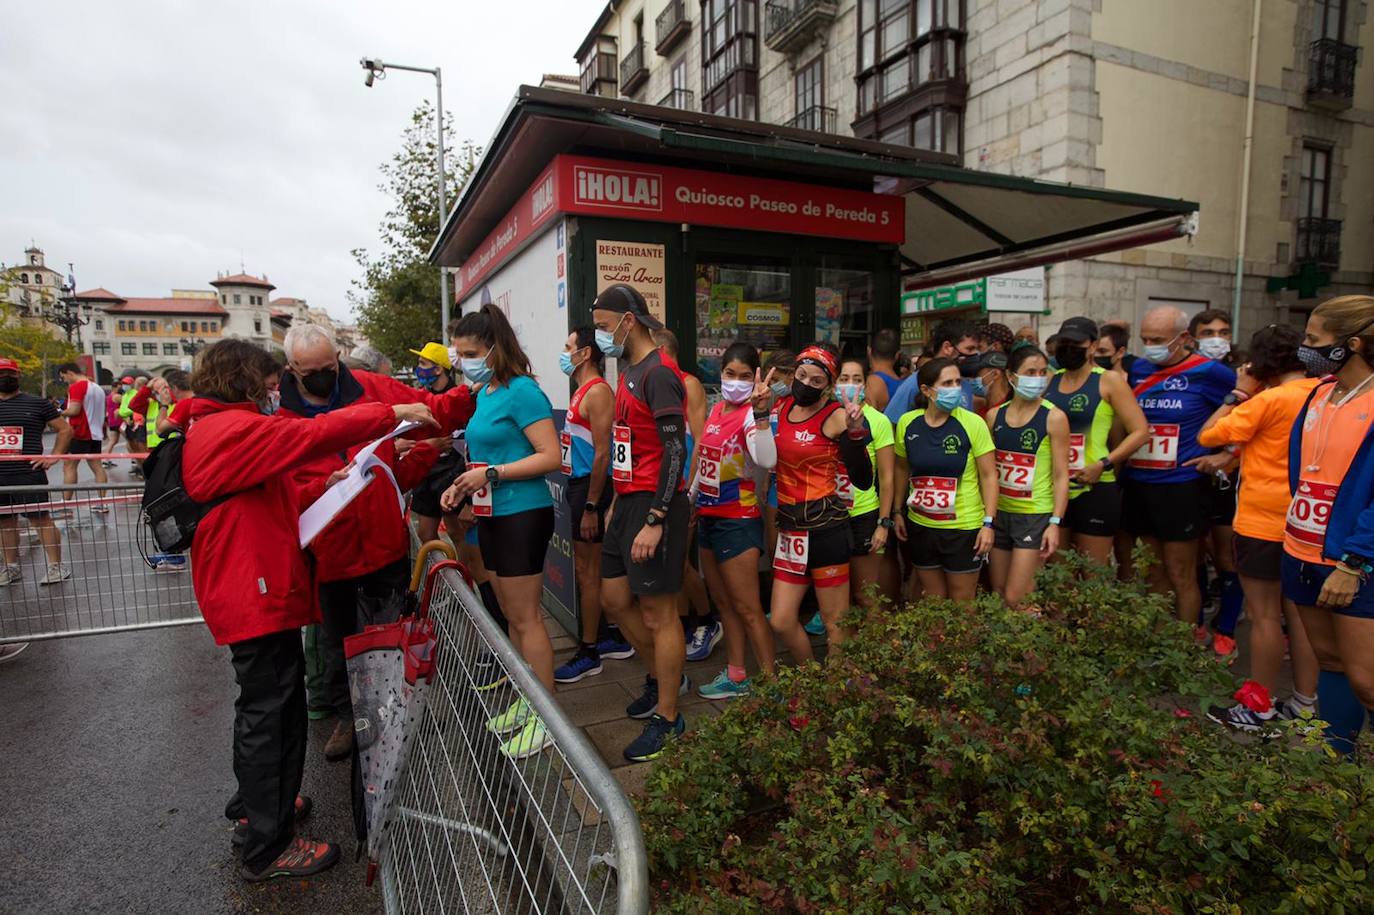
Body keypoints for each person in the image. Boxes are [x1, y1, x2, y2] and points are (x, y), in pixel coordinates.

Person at [182, 337, 437, 882]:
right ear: (243, 381)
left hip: (253, 582)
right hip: (252, 588)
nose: (278, 391)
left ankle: (260, 805)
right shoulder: (234, 427)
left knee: (267, 702)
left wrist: (325, 483)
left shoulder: (218, 425)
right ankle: (266, 844)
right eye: (270, 382)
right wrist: (390, 411)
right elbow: (313, 432)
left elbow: (262, 494)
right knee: (271, 709)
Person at [278, 323, 472, 763]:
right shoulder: (283, 420)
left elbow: (432, 409)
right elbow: (286, 492)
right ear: (293, 369)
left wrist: (473, 391)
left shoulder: (368, 387)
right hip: (330, 555)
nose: (325, 376)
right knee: (339, 642)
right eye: (313, 371)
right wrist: (319, 488)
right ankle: (353, 720)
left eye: (330, 367)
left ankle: (395, 713)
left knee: (389, 634)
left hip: (382, 544)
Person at [442, 303, 561, 759]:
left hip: (522, 514)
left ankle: (547, 718)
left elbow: (550, 456)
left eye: (470, 351)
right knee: (512, 617)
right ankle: (528, 700)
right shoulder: (486, 391)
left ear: (495, 348)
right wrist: (463, 488)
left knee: (527, 617)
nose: (463, 360)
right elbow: (482, 457)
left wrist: (491, 475)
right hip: (494, 514)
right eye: (459, 352)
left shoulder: (522, 391)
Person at [1198, 323, 1319, 730]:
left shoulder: (1266, 400)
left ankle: (1258, 705)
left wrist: (1239, 391)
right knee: (1299, 616)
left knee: (1263, 615)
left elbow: (1208, 434)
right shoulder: (1322, 392)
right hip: (1306, 521)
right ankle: (1304, 703)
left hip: (1263, 521)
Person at [590, 284, 694, 761]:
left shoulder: (660, 374)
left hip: (657, 506)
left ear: (629, 320)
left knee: (659, 613)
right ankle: (663, 676)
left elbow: (675, 450)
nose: (601, 336)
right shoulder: (628, 369)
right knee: (613, 598)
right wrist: (616, 500)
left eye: (605, 326)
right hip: (627, 502)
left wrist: (655, 517)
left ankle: (669, 716)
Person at [1269, 295, 1374, 755]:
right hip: (1301, 550)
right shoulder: (1317, 392)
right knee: (1328, 661)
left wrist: (1354, 562)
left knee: (1366, 680)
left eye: (1314, 340)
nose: (1304, 348)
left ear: (1351, 344)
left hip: (1351, 560)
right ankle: (1336, 764)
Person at [1121, 306, 1235, 632]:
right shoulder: (1140, 369)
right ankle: (1161, 642)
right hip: (1140, 481)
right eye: (1144, 339)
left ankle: (1184, 648)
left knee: (1181, 571)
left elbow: (1249, 412)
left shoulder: (1211, 372)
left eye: (1157, 339)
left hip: (1181, 485)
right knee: (1152, 570)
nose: (1149, 345)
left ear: (1183, 338)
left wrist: (1228, 455)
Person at [769, 345, 872, 661]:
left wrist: (855, 433)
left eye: (816, 381)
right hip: (790, 530)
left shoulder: (837, 415)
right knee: (781, 619)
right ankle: (811, 682)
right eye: (801, 376)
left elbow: (863, 479)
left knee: (835, 623)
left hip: (826, 530)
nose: (806, 384)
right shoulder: (780, 407)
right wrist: (759, 413)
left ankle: (837, 693)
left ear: (829, 385)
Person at [691, 342, 777, 699]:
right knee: (724, 604)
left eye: (745, 376)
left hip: (738, 520)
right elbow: (706, 462)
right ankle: (737, 675)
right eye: (730, 374)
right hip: (708, 517)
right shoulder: (717, 409)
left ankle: (775, 686)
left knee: (748, 608)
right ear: (720, 373)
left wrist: (760, 414)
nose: (737, 382)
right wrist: (689, 499)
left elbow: (766, 458)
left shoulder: (750, 416)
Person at [553, 327, 635, 684]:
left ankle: (591, 650)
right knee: (588, 572)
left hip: (590, 490)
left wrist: (591, 505)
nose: (564, 353)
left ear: (585, 353)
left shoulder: (599, 392)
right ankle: (607, 635)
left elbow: (605, 453)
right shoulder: (582, 391)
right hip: (578, 486)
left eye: (568, 347)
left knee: (589, 573)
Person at [1043, 317, 1150, 565]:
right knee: (1060, 576)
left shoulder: (1108, 380)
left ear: (1092, 346)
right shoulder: (1050, 381)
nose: (1068, 348)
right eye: (1063, 342)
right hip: (1055, 489)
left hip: (1096, 486)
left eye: (1075, 343)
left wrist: (1103, 464)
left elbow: (1140, 431)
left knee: (1093, 576)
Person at [892, 358, 999, 603]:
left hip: (963, 527)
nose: (955, 388)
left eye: (957, 382)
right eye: (947, 383)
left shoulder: (973, 423)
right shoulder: (908, 423)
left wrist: (988, 523)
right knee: (933, 600)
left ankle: (965, 644)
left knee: (962, 601)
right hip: (921, 525)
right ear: (926, 390)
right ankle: (935, 643)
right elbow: (901, 468)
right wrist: (898, 511)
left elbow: (989, 475)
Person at [651, 327, 718, 663]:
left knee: (679, 563)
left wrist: (692, 493)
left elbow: (701, 441)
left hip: (682, 490)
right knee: (670, 565)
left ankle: (706, 621)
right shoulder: (657, 382)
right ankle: (679, 627)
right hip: (662, 488)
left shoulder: (687, 384)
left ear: (662, 348)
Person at [985, 347, 1070, 608]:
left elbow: (1061, 475)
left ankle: (1034, 649)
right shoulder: (994, 416)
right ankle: (1012, 648)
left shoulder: (1054, 417)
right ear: (1011, 376)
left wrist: (1055, 522)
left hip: (1034, 516)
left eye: (1043, 372)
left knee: (1017, 596)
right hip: (1000, 514)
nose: (1038, 378)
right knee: (999, 592)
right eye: (1030, 372)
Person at [0, 357, 73, 595]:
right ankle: (10, 567)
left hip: (28, 474)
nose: (5, 378)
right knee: (5, 522)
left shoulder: (38, 403)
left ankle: (55, 566)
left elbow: (64, 429)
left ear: (18, 376)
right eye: (1, 374)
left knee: (40, 519)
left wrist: (54, 457)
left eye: (10, 373)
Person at [836, 355, 898, 609]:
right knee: (840, 601)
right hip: (830, 517)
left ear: (865, 385)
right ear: (833, 384)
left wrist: (883, 523)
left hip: (865, 516)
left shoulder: (878, 421)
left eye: (857, 379)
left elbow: (887, 477)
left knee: (866, 596)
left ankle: (873, 648)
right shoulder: (826, 417)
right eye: (844, 379)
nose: (850, 385)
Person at [407, 341, 467, 547]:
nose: (418, 368)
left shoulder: (461, 397)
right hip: (426, 475)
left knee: (456, 532)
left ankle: (464, 576)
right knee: (425, 534)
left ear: (439, 368)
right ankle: (433, 578)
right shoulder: (420, 397)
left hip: (451, 476)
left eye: (423, 363)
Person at [884, 320, 980, 422]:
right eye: (970, 349)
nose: (976, 354)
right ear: (947, 348)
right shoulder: (915, 382)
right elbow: (892, 422)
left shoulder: (964, 383)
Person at [56, 363, 108, 513]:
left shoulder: (77, 386)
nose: (64, 380)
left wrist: (58, 412)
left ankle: (65, 503)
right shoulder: (97, 387)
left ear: (69, 372)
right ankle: (102, 502)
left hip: (80, 431)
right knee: (97, 467)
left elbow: (74, 410)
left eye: (63, 377)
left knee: (69, 466)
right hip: (95, 432)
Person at [762, 348, 796, 561]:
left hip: (797, 486)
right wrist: (766, 479)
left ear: (791, 375)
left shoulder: (803, 406)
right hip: (776, 484)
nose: (773, 384)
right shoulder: (778, 403)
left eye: (775, 379)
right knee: (776, 549)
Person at [865, 328, 902, 411]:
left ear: (869, 351)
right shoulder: (903, 384)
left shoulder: (872, 382)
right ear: (897, 355)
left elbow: (869, 421)